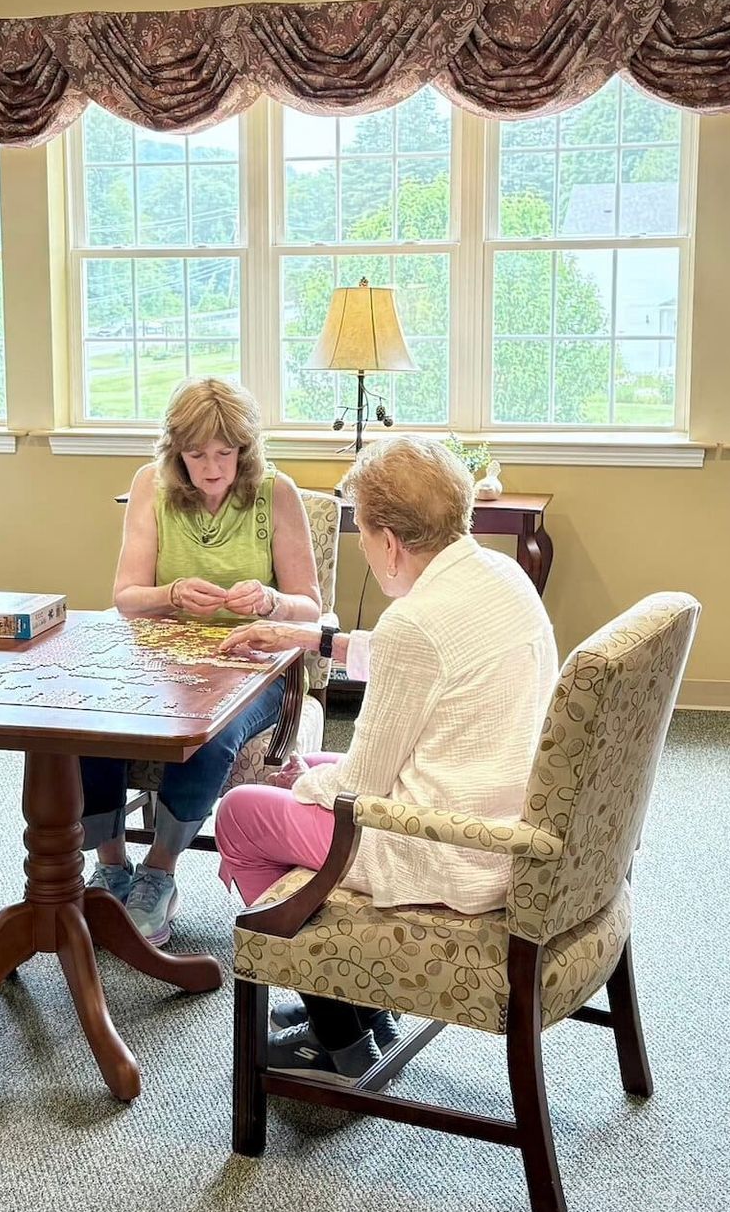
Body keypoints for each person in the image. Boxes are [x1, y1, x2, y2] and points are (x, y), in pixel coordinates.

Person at [213, 435, 557, 1083]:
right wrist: (313, 639)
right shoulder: (500, 575)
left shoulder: (414, 624)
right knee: (303, 774)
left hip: (446, 849)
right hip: (505, 824)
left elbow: (361, 788)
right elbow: (427, 662)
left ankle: (340, 1031)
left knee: (240, 813)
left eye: (365, 539)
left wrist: (305, 780)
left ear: (391, 542)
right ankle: (354, 998)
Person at [83, 379, 323, 946]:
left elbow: (311, 606)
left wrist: (270, 601)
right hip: (162, 660)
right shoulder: (150, 485)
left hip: (257, 662)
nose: (212, 469)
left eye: (224, 453)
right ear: (176, 453)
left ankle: (159, 872)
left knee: (207, 734)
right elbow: (126, 598)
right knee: (91, 722)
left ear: (245, 449)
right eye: (196, 455)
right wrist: (170, 595)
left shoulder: (277, 493)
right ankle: (111, 865)